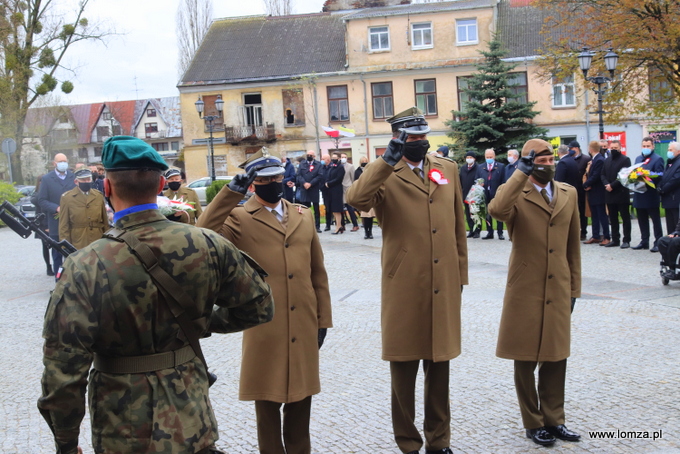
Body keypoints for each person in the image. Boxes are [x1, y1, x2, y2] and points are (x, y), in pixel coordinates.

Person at [37, 135, 274, 454]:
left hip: (124, 431)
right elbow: (258, 307)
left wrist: (65, 443)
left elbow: (63, 370)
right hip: (193, 423)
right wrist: (202, 322)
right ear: (162, 183)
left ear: (106, 189)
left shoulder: (86, 265)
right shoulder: (208, 244)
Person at [347, 107, 468, 454]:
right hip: (404, 282)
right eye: (411, 137)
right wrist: (385, 162)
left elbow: (458, 225)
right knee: (403, 367)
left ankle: (439, 441)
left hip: (443, 280)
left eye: (422, 136)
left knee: (440, 363)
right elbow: (357, 200)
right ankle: (408, 443)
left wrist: (459, 273)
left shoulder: (447, 168)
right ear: (398, 137)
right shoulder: (384, 173)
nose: (419, 142)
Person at [197, 147, 332, 454]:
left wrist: (323, 319)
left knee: (301, 400)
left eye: (279, 176)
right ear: (254, 183)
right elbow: (202, 234)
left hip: (304, 318)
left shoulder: (303, 215)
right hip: (264, 321)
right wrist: (231, 193)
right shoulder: (239, 217)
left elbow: (318, 273)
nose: (277, 182)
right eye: (268, 179)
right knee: (267, 401)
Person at [488, 138, 581, 447]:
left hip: (559, 285)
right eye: (540, 160)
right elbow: (497, 210)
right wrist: (519, 172)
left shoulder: (568, 193)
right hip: (525, 286)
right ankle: (533, 422)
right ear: (530, 162)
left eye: (550, 159)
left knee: (556, 356)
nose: (548, 164)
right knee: (525, 356)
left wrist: (574, 288)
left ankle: (555, 420)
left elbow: (573, 247)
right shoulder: (516, 193)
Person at [37, 153, 76, 277]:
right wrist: (56, 208)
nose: (63, 163)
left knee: (73, 254)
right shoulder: (47, 179)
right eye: (60, 161)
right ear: (54, 163)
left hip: (73, 222)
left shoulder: (73, 177)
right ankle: (59, 282)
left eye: (65, 160)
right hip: (56, 223)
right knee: (57, 255)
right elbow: (42, 200)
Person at [58, 168, 108, 251]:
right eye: (83, 180)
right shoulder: (67, 198)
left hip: (98, 240)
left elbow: (105, 221)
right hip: (78, 241)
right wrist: (65, 246)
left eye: (88, 179)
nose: (86, 182)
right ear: (76, 182)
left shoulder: (98, 195)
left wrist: (107, 240)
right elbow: (64, 224)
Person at [632, 137, 664, 252]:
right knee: (642, 219)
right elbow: (634, 171)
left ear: (652, 146)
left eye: (648, 146)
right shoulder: (638, 158)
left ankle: (658, 242)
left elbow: (660, 175)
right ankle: (644, 241)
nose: (645, 148)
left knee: (655, 220)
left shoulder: (658, 159)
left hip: (651, 194)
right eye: (644, 146)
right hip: (639, 193)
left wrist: (647, 176)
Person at [601, 140, 632, 248]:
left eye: (615, 148)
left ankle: (626, 240)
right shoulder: (607, 160)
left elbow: (624, 176)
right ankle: (615, 239)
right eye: (612, 148)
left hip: (621, 193)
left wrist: (612, 185)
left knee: (625, 218)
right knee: (613, 218)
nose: (613, 150)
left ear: (620, 148)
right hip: (609, 193)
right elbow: (602, 174)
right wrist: (606, 184)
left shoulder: (625, 160)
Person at [583, 140, 610, 245]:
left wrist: (585, 184)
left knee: (602, 215)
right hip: (593, 192)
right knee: (594, 214)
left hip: (598, 192)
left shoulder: (599, 160)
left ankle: (606, 236)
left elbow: (595, 175)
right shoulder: (594, 159)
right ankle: (595, 236)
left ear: (590, 149)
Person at [476, 148, 506, 239]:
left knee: (498, 212)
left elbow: (503, 181)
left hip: (496, 193)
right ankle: (490, 232)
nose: (489, 158)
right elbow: (477, 179)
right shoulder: (480, 167)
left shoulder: (500, 167)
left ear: (494, 156)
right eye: (487, 157)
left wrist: (501, 192)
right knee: (487, 213)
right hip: (485, 193)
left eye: (491, 157)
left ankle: (500, 232)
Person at [31, 175, 53, 276]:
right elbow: (35, 200)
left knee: (56, 245)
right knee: (45, 246)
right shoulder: (36, 193)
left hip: (51, 221)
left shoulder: (50, 192)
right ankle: (48, 266)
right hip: (41, 224)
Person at [569, 141, 591, 240]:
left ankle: (583, 231)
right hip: (572, 189)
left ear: (577, 148)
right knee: (572, 213)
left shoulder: (586, 159)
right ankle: (574, 231)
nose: (570, 150)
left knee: (582, 212)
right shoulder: (569, 159)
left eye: (571, 148)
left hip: (581, 190)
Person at [296, 150, 323, 232]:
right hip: (304, 189)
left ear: (314, 156)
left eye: (311, 155)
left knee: (316, 208)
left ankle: (317, 226)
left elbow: (320, 175)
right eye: (308, 155)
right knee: (305, 208)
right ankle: (306, 226)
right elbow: (299, 175)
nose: (309, 156)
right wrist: (304, 183)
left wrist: (310, 183)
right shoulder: (302, 164)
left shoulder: (318, 164)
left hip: (314, 188)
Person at [658, 141, 680, 235]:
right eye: (668, 149)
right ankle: (670, 245)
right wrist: (659, 186)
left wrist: (663, 189)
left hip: (675, 199)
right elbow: (664, 177)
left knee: (676, 224)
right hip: (668, 199)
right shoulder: (670, 162)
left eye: (671, 150)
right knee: (669, 225)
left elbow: (675, 179)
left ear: (678, 151)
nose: (668, 151)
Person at [459, 150, 480, 238]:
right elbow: (460, 180)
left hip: (474, 194)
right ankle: (471, 230)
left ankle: (477, 231)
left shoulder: (478, 168)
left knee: (475, 213)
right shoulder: (463, 168)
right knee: (468, 213)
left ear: (474, 159)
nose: (469, 159)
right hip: (465, 193)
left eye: (470, 157)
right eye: (467, 157)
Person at [354, 156, 376, 239]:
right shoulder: (357, 171)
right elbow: (356, 181)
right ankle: (366, 232)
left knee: (370, 216)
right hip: (362, 195)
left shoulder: (371, 171)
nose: (364, 162)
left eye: (366, 161)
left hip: (370, 195)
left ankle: (370, 232)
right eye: (363, 161)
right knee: (365, 215)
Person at [325, 152, 346, 234]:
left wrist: (329, 183)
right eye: (332, 157)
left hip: (337, 190)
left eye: (335, 157)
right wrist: (326, 182)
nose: (333, 159)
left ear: (339, 158)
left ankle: (339, 226)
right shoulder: (331, 166)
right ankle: (338, 225)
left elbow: (338, 179)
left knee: (337, 209)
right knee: (333, 209)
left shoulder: (340, 167)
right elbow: (328, 175)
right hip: (331, 190)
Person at [341, 152, 360, 232]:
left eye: (345, 157)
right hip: (339, 188)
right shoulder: (338, 166)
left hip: (347, 188)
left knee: (350, 207)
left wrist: (351, 187)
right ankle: (342, 225)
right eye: (342, 157)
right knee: (340, 208)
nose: (343, 158)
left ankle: (355, 224)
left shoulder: (350, 166)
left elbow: (352, 177)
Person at [320, 154, 333, 231]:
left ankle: (339, 223)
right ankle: (328, 224)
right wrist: (321, 187)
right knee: (327, 207)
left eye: (323, 159)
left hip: (332, 190)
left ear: (328, 160)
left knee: (334, 207)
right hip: (324, 190)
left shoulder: (332, 167)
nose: (322, 160)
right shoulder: (321, 168)